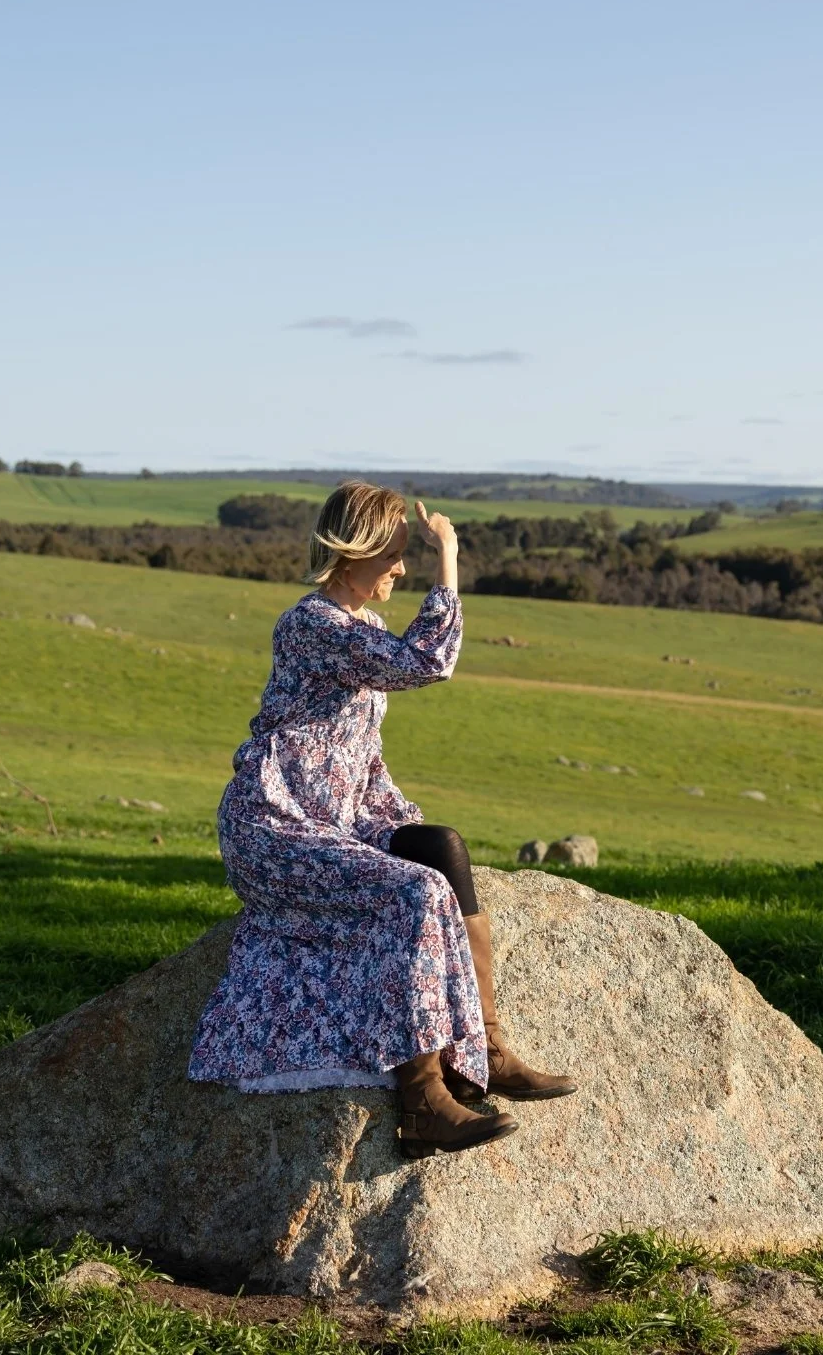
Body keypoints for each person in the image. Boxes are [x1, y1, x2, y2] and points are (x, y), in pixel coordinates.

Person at [188, 479, 575, 1157]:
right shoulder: (312, 624)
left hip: (337, 815)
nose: (401, 568)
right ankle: (423, 1097)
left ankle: (482, 1049)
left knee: (441, 850)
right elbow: (428, 662)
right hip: (276, 826)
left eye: (408, 556)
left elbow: (356, 751)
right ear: (353, 551)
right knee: (418, 892)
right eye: (393, 555)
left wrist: (397, 825)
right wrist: (448, 558)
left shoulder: (361, 628)